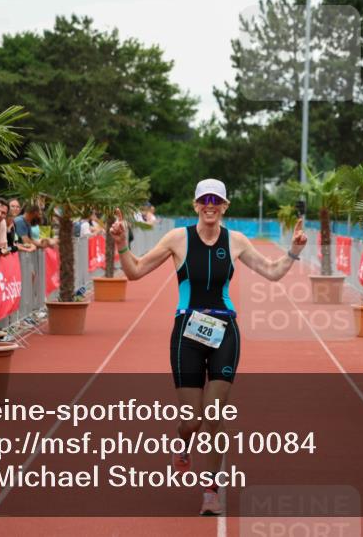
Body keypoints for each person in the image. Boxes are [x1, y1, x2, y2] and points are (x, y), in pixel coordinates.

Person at [110, 178, 307, 517]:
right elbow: (136, 271)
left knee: (214, 415)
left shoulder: (236, 241)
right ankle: (183, 439)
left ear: (225, 206)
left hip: (224, 332)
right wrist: (120, 244)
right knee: (192, 420)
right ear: (196, 204)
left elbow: (272, 272)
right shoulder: (178, 239)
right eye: (205, 200)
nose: (210, 205)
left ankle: (211, 491)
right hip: (187, 332)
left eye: (216, 200)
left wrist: (293, 252)